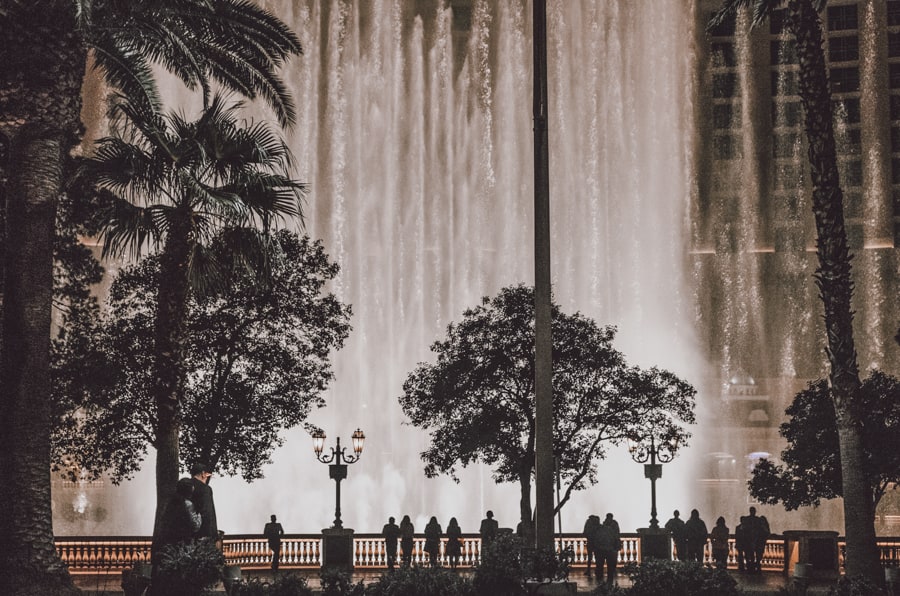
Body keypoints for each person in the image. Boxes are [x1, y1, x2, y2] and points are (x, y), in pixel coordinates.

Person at [152, 478, 200, 564]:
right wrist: (199, 516)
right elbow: (195, 525)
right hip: (184, 543)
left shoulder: (171, 503)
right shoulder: (188, 504)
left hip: (170, 543)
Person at [189, 463, 218, 542]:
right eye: (207, 476)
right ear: (203, 474)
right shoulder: (205, 489)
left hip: (185, 533)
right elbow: (207, 511)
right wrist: (209, 534)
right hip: (201, 534)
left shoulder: (184, 486)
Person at [595, 513, 620, 585]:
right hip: (610, 550)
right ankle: (609, 583)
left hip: (602, 550)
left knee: (601, 566)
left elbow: (597, 539)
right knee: (610, 568)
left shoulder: (602, 527)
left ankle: (600, 583)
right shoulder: (613, 527)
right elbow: (616, 537)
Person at [743, 506, 770, 573]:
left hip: (752, 540)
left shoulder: (748, 519)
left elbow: (744, 530)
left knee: (752, 555)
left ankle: (751, 567)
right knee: (755, 555)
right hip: (754, 540)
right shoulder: (757, 520)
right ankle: (755, 567)